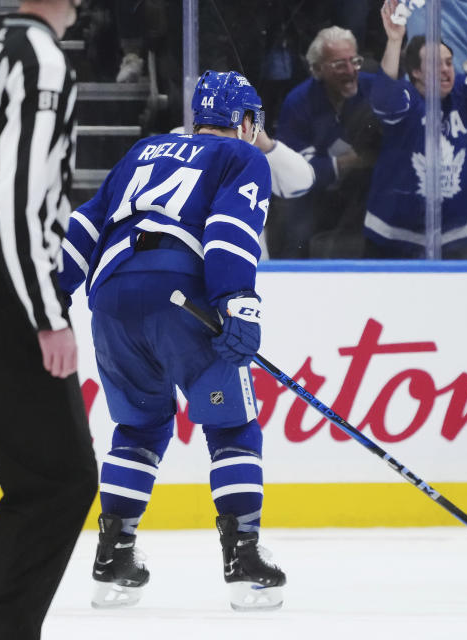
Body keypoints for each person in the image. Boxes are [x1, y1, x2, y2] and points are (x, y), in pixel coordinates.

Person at [57, 70, 286, 611]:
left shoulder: (145, 150)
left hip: (110, 299)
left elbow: (87, 224)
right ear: (246, 122)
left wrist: (51, 296)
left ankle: (114, 556)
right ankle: (244, 561)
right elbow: (229, 227)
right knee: (231, 427)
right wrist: (238, 302)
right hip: (182, 292)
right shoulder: (242, 157)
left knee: (138, 426)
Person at [0, 1, 100, 638]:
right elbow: (16, 198)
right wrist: (47, 314)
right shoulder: (40, 61)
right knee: (58, 481)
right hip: (0, 287)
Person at [365, 0, 467, 258]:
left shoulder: (463, 93)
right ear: (415, 72)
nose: (446, 70)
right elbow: (384, 96)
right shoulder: (407, 99)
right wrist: (394, 41)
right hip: (393, 235)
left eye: (449, 62)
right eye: (436, 64)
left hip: (453, 235)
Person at [272, 26, 381, 258]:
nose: (351, 71)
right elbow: (298, 171)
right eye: (340, 65)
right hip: (312, 198)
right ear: (317, 69)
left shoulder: (372, 88)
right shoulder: (298, 102)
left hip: (361, 194)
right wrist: (349, 162)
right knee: (297, 239)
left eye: (355, 61)